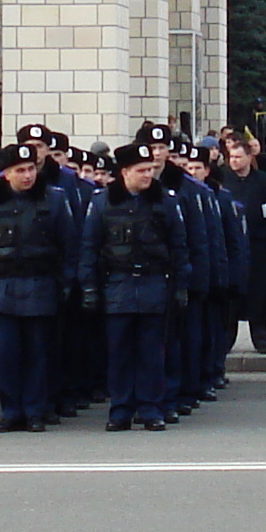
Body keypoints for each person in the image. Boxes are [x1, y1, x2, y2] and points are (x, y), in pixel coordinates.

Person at [0, 140, 77, 432]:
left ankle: (35, 411)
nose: (28, 175)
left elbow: (68, 245)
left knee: (38, 354)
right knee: (7, 355)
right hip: (3, 288)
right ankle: (11, 411)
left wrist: (67, 282)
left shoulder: (54, 199)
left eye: (31, 168)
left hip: (41, 284)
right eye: (20, 170)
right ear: (6, 174)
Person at [79, 139, 187, 430]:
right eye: (141, 170)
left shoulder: (165, 200)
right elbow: (89, 248)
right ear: (125, 172)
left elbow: (179, 247)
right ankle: (121, 409)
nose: (147, 175)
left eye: (150, 169)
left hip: (154, 284)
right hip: (117, 284)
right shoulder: (102, 202)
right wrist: (88, 287)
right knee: (119, 353)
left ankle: (150, 408)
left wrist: (180, 287)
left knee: (152, 353)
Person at [215, 134, 266, 355]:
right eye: (231, 157)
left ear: (248, 157)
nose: (234, 161)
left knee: (260, 290)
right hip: (232, 246)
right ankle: (227, 336)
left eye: (238, 157)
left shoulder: (264, 181)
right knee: (232, 293)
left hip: (259, 244)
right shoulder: (222, 181)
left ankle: (260, 336)